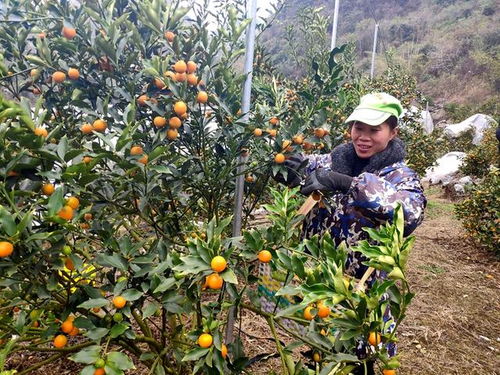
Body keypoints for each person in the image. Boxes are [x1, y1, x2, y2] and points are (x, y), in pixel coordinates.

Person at [264, 92, 427, 373]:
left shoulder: (401, 176)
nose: (363, 136)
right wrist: (286, 168)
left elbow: (410, 214)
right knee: (319, 351)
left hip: (363, 294)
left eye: (374, 130)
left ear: (392, 133)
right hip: (322, 286)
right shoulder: (329, 161)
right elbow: (299, 166)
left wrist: (349, 184)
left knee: (359, 360)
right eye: (358, 128)